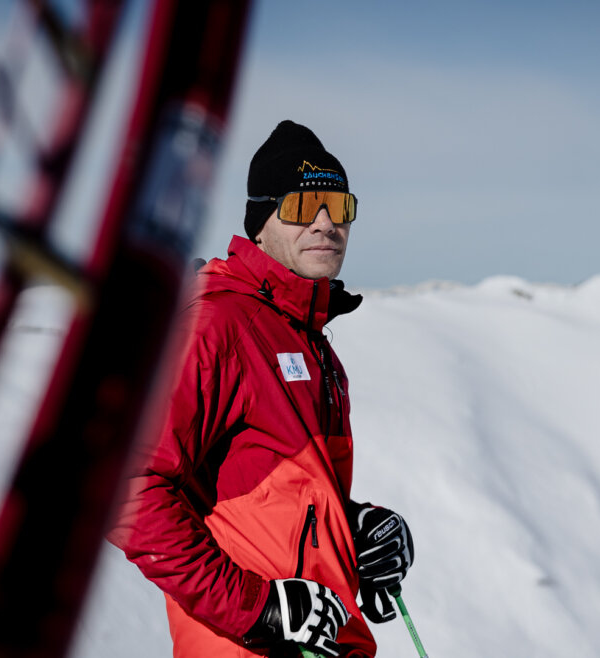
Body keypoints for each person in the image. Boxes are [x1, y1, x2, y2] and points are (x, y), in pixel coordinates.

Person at [108, 120, 415, 658]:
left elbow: (284, 502)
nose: (325, 223)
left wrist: (355, 526)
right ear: (260, 221)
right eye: (302, 205)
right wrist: (259, 608)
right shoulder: (217, 325)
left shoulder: (310, 341)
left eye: (339, 207)